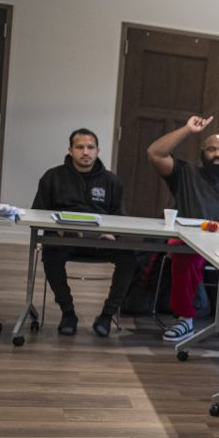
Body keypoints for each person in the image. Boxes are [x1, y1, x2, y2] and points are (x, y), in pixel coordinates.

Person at [146, 115, 219, 341]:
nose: (217, 154)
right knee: (182, 254)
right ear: (202, 153)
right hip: (193, 242)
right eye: (211, 149)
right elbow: (155, 153)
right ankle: (185, 319)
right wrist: (188, 129)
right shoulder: (186, 173)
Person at [32, 128, 138, 337]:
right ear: (70, 150)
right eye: (80, 147)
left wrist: (112, 233)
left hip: (101, 241)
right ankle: (68, 313)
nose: (85, 152)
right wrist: (58, 230)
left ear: (98, 150)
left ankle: (107, 316)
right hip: (65, 240)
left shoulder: (112, 181)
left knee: (129, 257)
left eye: (90, 147)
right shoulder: (52, 177)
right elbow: (37, 214)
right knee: (50, 252)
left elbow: (119, 217)